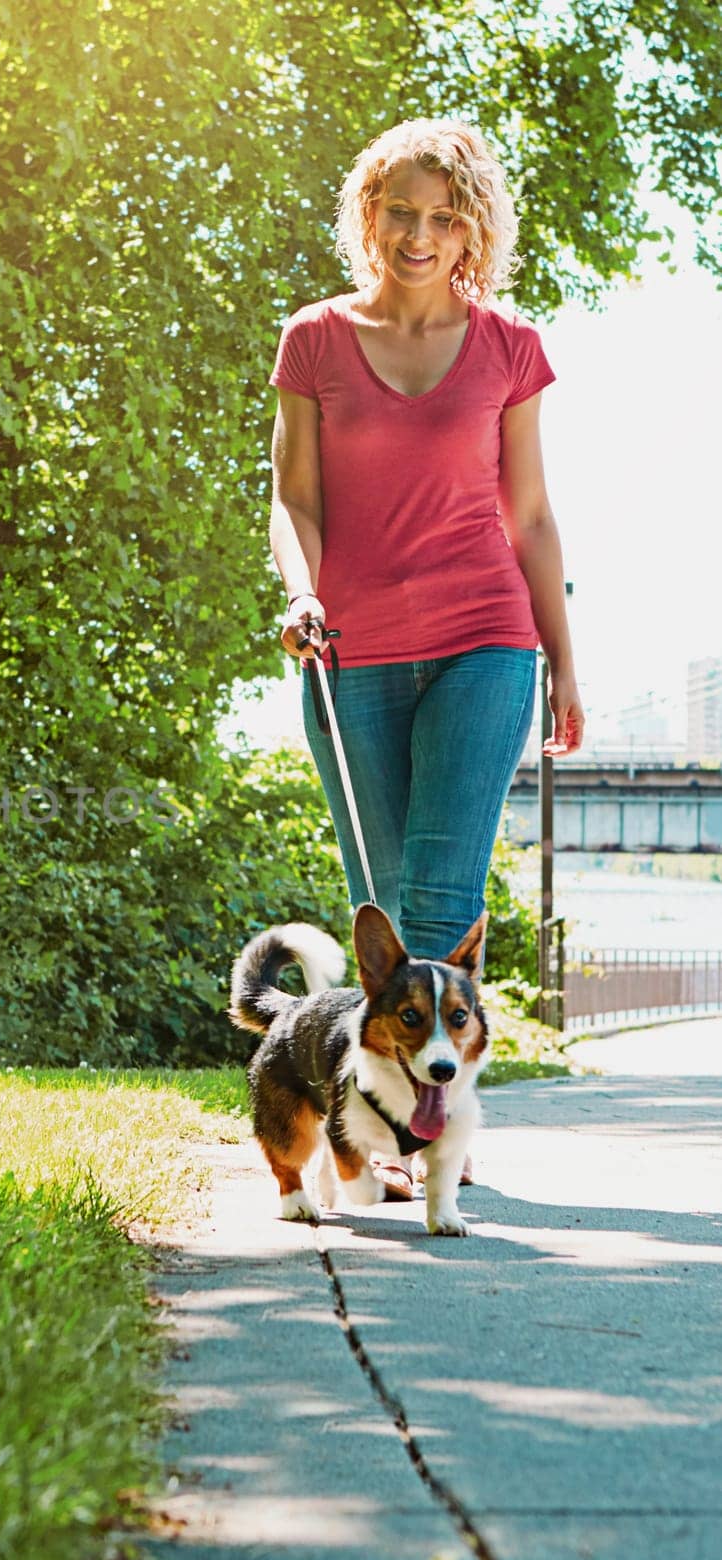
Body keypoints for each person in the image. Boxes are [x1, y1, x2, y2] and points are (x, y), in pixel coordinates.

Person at [267, 119, 583, 1201]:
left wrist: (566, 662)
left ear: (471, 230)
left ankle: (431, 1145)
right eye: (400, 210)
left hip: (487, 643)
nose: (418, 233)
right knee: (383, 924)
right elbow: (292, 498)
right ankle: (386, 1136)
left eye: (443, 217)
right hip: (346, 651)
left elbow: (531, 517)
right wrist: (301, 588)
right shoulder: (314, 339)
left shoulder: (508, 346)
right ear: (370, 214)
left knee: (441, 907)